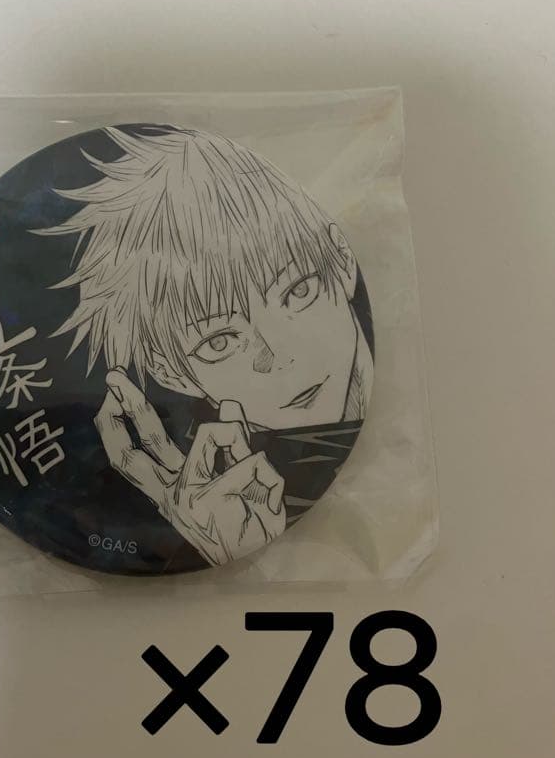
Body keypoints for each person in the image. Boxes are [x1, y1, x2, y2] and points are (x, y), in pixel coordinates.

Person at [37, 126, 373, 565]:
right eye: (221, 342)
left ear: (341, 259)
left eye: (298, 291)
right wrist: (222, 547)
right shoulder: (226, 499)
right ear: (170, 373)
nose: (281, 356)